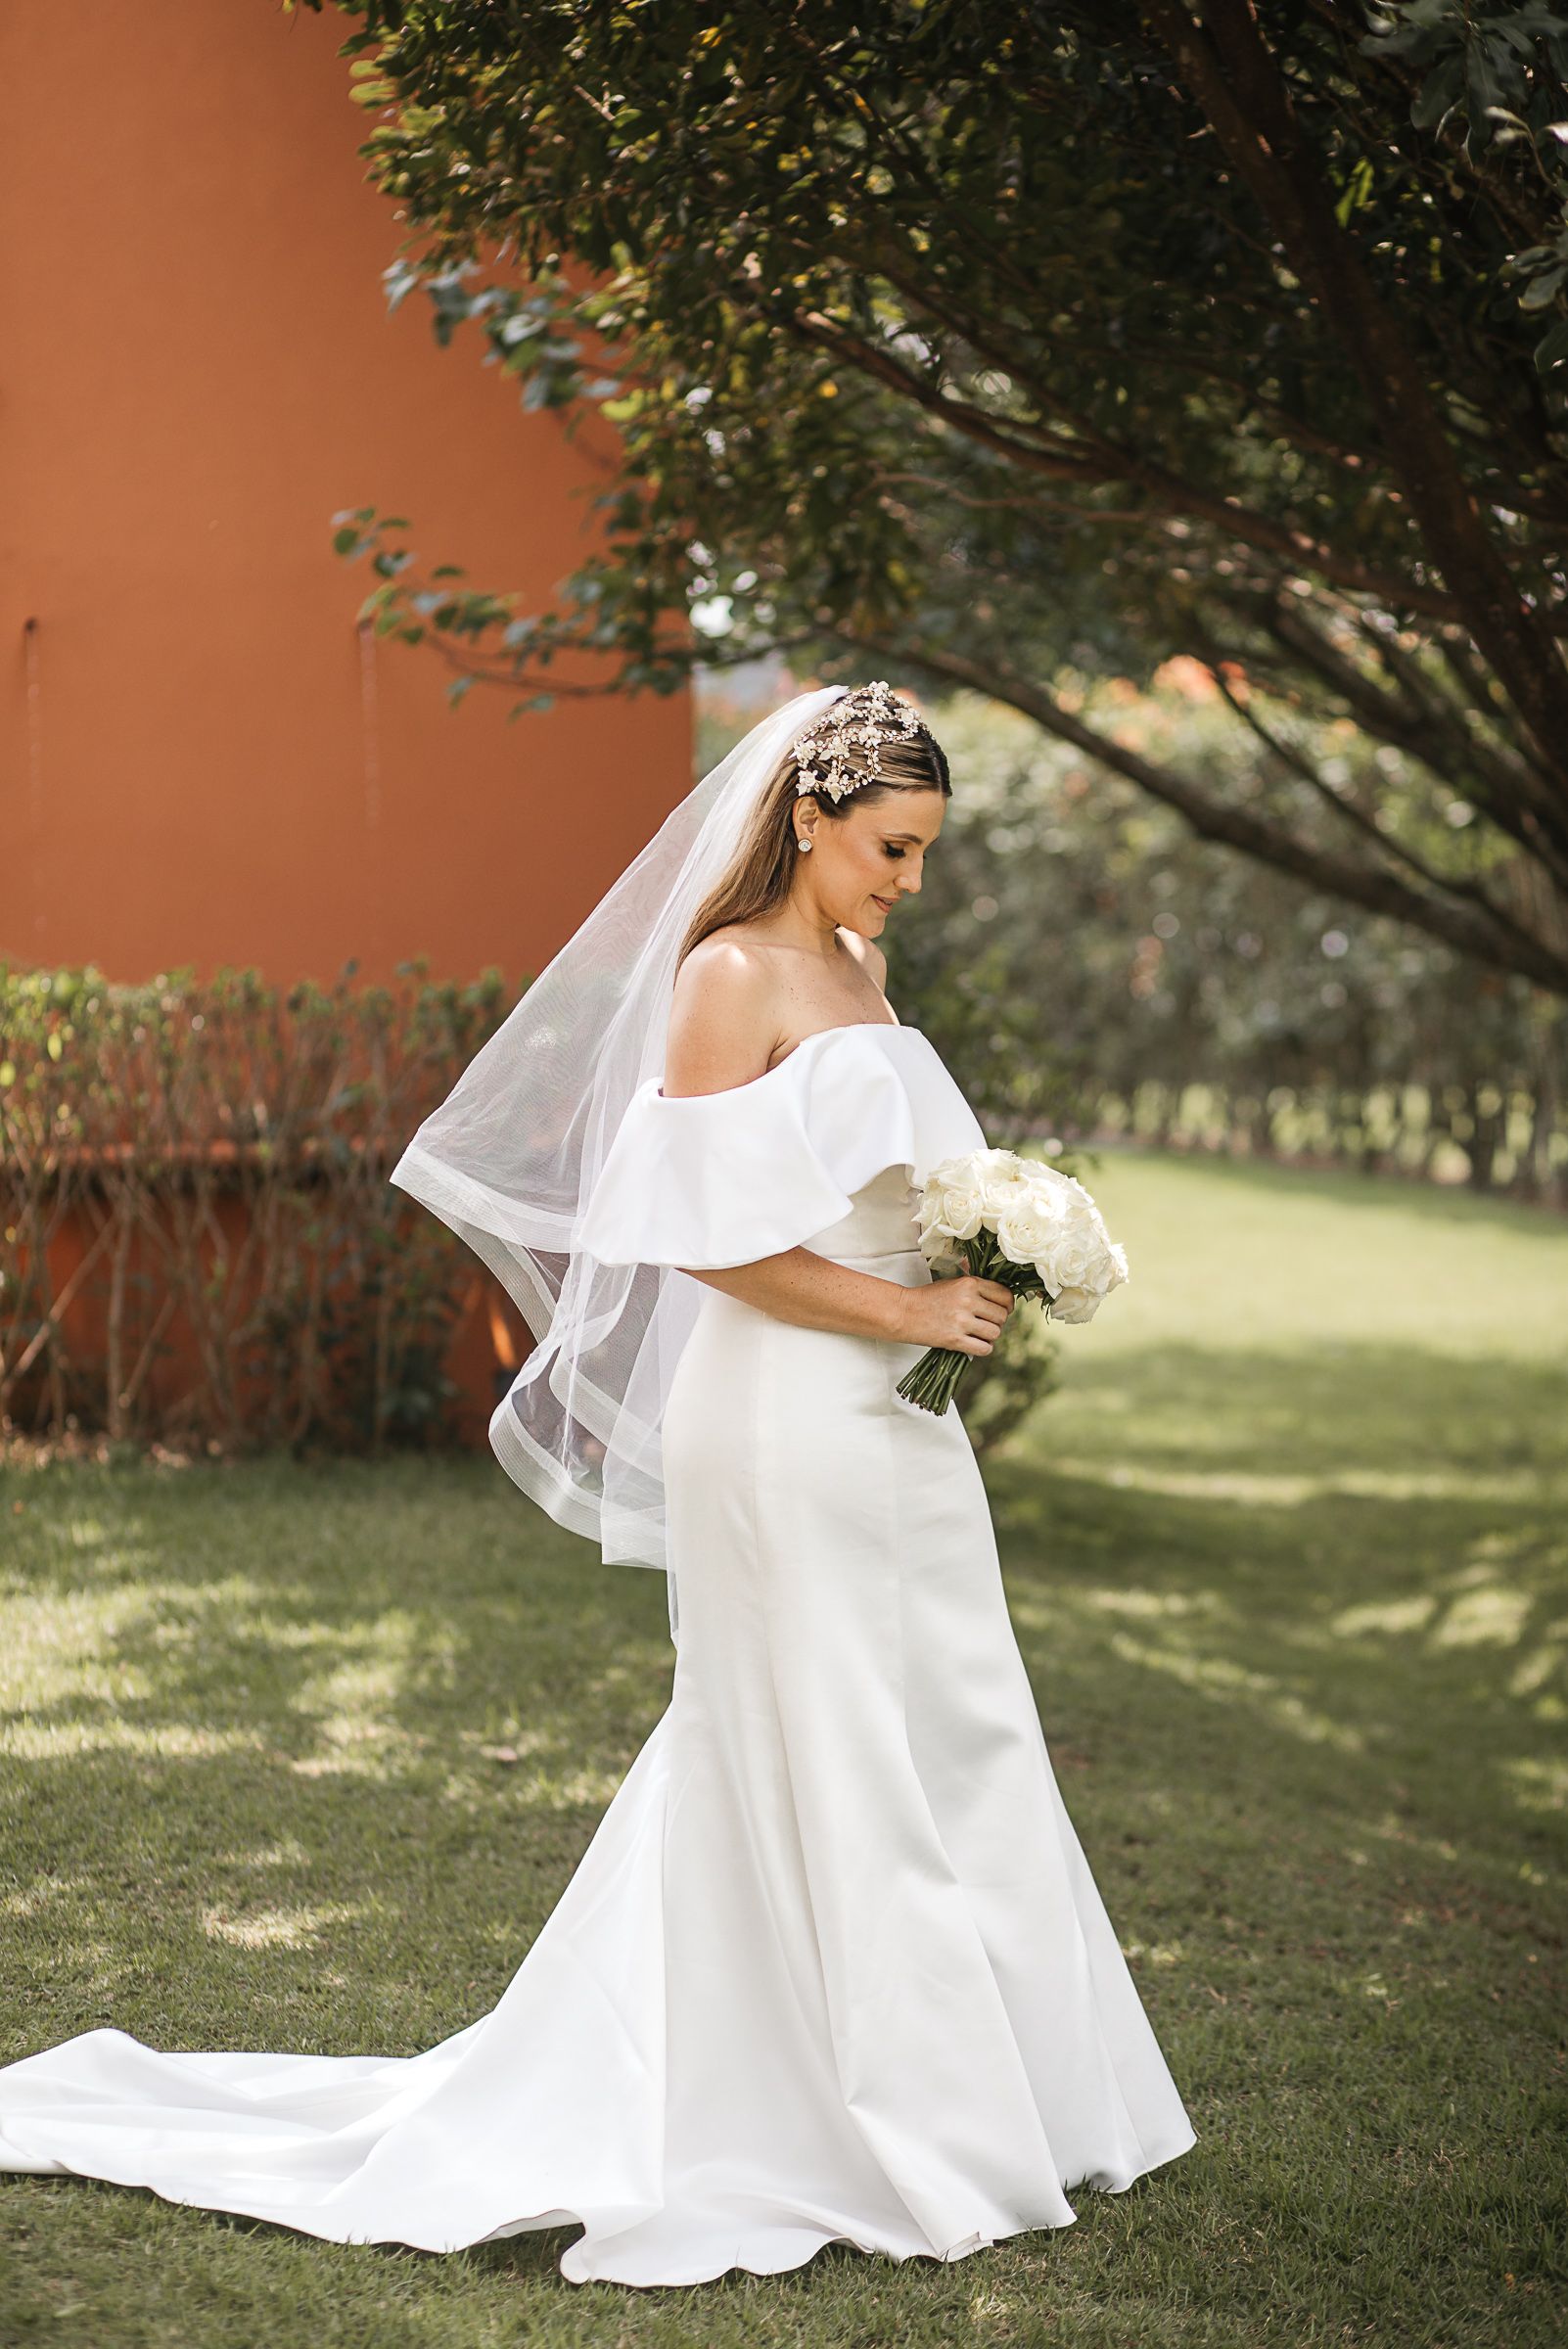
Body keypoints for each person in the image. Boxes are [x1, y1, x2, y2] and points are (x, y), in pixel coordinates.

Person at [0, 682, 1195, 2286]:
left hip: (893, 1427)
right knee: (810, 1729)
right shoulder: (726, 977)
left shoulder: (858, 966)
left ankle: (1001, 2101)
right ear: (806, 817)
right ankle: (824, 2114)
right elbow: (701, 1239)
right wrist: (913, 1309)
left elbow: (859, 1190)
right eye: (891, 849)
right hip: (778, 1417)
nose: (908, 881)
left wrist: (978, 1261)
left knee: (944, 1719)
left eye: (923, 855)